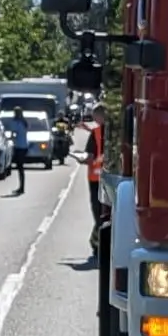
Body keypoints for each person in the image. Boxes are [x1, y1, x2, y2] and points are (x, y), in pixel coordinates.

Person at [73, 105, 106, 249]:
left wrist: (81, 159)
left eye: (95, 116)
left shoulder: (96, 132)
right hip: (114, 178)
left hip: (96, 179)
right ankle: (98, 241)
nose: (94, 119)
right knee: (106, 212)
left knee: (98, 211)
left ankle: (97, 242)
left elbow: (91, 156)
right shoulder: (120, 131)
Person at [5, 107, 30, 195]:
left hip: (19, 146)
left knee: (19, 167)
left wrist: (8, 138)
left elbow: (13, 134)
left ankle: (21, 187)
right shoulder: (24, 122)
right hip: (24, 146)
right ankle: (22, 186)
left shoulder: (15, 122)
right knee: (20, 167)